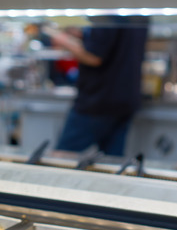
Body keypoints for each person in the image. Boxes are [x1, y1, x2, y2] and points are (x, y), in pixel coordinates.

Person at [44, 17, 149, 155]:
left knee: (62, 157)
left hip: (98, 100)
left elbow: (94, 56)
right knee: (110, 164)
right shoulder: (139, 10)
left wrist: (61, 38)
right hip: (125, 98)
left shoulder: (107, 8)